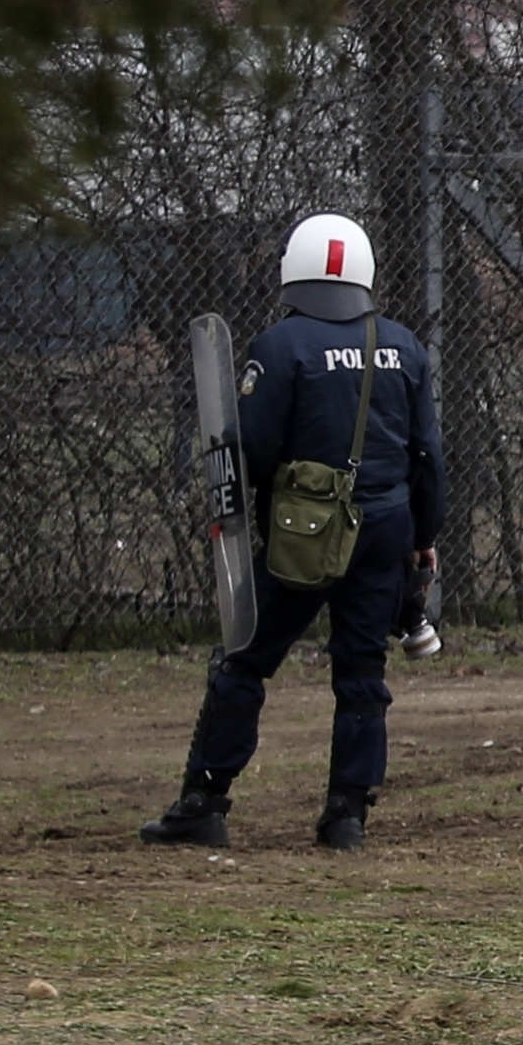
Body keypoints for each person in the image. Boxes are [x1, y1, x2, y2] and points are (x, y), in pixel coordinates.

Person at [139, 214, 442, 852]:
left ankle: (205, 801)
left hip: (302, 533)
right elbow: (427, 456)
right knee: (362, 671)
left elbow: (253, 444)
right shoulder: (405, 346)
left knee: (244, 660)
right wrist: (425, 538)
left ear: (293, 272)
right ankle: (347, 815)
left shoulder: (279, 348)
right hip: (387, 527)